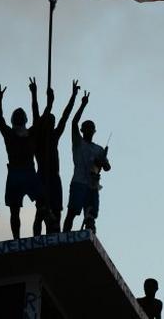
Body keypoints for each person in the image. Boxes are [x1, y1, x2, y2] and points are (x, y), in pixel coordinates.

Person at [31, 79, 79, 235]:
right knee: (40, 211)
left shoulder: (54, 136)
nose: (53, 123)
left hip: (54, 177)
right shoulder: (38, 139)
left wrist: (73, 96)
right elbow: (35, 112)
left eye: (53, 122)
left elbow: (66, 115)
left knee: (57, 210)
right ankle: (37, 238)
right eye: (50, 121)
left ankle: (54, 234)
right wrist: (34, 94)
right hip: (42, 177)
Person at [62, 92, 111, 233]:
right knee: (71, 213)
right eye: (86, 128)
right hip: (78, 182)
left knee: (90, 217)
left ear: (94, 131)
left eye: (91, 128)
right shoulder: (78, 143)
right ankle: (65, 236)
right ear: (83, 130)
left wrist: (101, 162)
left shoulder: (99, 149)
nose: (89, 130)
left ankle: (90, 236)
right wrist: (83, 104)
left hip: (93, 185)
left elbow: (108, 167)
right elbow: (73, 122)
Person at [0, 84, 39, 239]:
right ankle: (17, 238)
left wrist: (34, 94)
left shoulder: (29, 133)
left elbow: (36, 115)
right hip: (17, 172)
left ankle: (33, 235)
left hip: (26, 172)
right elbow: (0, 119)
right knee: (15, 209)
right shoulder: (11, 134)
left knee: (41, 203)